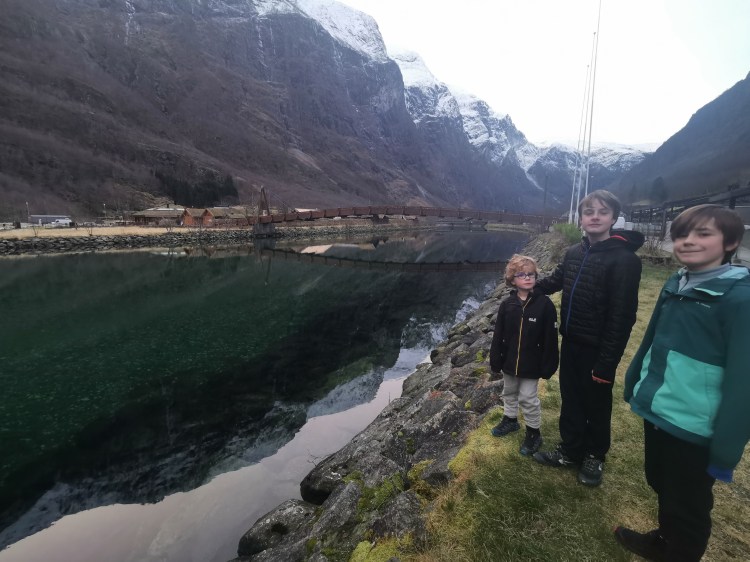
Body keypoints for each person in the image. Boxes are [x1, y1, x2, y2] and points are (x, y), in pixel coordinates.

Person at [615, 204, 750, 561]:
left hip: (695, 425)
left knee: (689, 505)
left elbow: (744, 382)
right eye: (680, 235)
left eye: (703, 234)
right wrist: (634, 381)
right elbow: (651, 339)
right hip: (660, 409)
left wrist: (726, 450)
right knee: (660, 481)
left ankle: (680, 550)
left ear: (731, 243)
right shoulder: (677, 283)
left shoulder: (740, 299)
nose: (688, 241)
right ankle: (664, 540)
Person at [532, 189, 644, 486]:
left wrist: (607, 364)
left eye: (602, 212)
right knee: (571, 398)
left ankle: (595, 455)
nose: (595, 217)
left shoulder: (625, 261)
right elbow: (555, 280)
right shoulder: (574, 252)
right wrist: (526, 289)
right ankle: (570, 450)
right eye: (589, 212)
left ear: (614, 218)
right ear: (580, 218)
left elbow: (622, 317)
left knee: (596, 404)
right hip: (571, 341)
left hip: (598, 348)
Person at [489, 254, 559, 456]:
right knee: (509, 392)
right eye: (521, 275)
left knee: (528, 397)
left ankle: (533, 432)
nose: (527, 278)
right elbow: (498, 335)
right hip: (509, 361)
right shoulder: (507, 305)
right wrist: (496, 359)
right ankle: (510, 420)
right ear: (512, 280)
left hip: (532, 364)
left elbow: (550, 338)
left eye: (531, 274)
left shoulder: (545, 305)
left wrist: (549, 364)